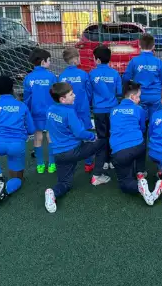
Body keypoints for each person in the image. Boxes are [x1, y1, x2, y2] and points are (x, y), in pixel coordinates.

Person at [44, 82, 106, 214]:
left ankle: (52, 193)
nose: (74, 96)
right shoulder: (69, 112)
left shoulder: (50, 110)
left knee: (65, 184)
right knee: (102, 143)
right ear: (62, 99)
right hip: (73, 151)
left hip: (58, 154)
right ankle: (97, 176)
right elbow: (79, 133)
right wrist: (92, 136)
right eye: (71, 94)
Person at [0, 76, 35, 210]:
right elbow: (31, 130)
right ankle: (6, 189)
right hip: (17, 146)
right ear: (12, 89)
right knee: (18, 179)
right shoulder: (22, 106)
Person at [110, 80, 153, 205]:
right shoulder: (139, 109)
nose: (139, 99)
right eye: (139, 96)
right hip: (138, 147)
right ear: (133, 97)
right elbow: (142, 128)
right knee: (141, 141)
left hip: (120, 152)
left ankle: (138, 185)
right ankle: (140, 172)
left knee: (124, 183)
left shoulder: (113, 110)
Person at [59, 47, 95, 173]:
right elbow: (89, 92)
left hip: (68, 111)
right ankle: (88, 163)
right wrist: (87, 102)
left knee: (70, 134)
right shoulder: (83, 74)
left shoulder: (62, 76)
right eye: (78, 57)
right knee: (86, 134)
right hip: (83, 109)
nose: (80, 59)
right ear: (74, 59)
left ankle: (70, 161)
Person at [89, 45, 123, 176]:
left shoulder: (92, 74)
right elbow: (119, 92)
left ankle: (103, 161)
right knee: (113, 134)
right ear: (109, 60)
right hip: (113, 110)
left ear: (97, 60)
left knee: (102, 136)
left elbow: (89, 92)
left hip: (98, 111)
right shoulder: (115, 73)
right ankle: (113, 160)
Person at [23, 48, 57, 174]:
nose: (50, 62)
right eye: (49, 60)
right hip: (50, 112)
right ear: (43, 62)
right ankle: (52, 164)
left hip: (35, 113)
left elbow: (27, 98)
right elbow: (56, 95)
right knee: (50, 136)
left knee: (37, 137)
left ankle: (40, 165)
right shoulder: (51, 77)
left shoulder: (28, 78)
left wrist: (27, 113)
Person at [122, 33, 162, 122]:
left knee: (140, 121)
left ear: (139, 45)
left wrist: (132, 86)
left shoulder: (134, 61)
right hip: (155, 96)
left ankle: (142, 135)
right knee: (155, 121)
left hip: (139, 96)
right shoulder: (158, 62)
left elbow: (126, 78)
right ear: (153, 46)